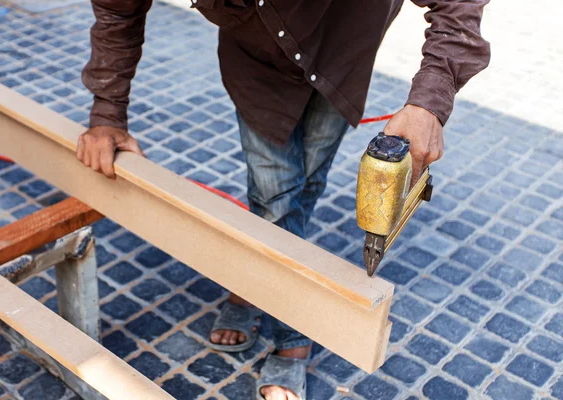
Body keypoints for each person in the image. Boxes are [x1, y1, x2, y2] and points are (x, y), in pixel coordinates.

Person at [78, 0, 490, 398]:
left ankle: (249, 282)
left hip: (343, 47)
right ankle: (293, 339)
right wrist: (107, 112)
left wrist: (429, 102)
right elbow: (118, 9)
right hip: (256, 62)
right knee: (275, 198)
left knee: (306, 186)